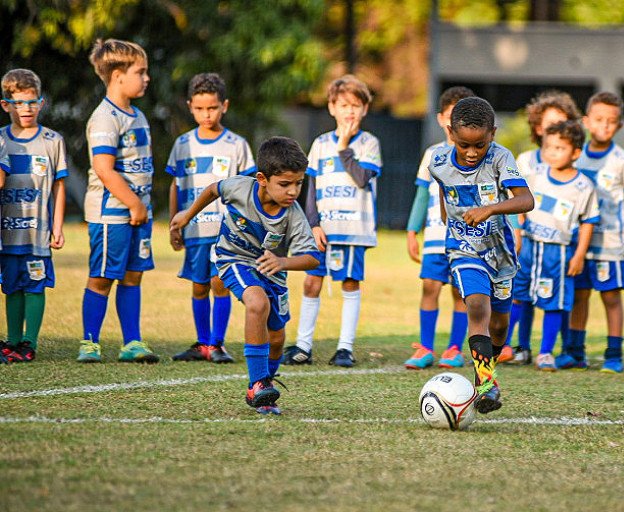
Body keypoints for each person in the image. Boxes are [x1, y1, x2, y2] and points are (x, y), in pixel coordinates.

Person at [170, 136, 319, 415]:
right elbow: (213, 190)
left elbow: (312, 258)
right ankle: (257, 384)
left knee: (277, 339)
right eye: (285, 184)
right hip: (233, 259)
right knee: (257, 304)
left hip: (272, 271)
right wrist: (186, 216)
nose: (293, 191)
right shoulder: (240, 187)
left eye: (298, 183)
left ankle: (265, 388)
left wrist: (283, 261)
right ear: (262, 178)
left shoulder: (293, 214)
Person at [429, 96, 534, 414]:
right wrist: (448, 216)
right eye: (464, 146)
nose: (472, 153)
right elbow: (443, 186)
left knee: (500, 326)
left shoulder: (501, 159)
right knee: (476, 306)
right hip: (462, 249)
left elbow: (526, 199)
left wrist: (490, 208)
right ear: (450, 133)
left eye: (480, 145)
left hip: (499, 252)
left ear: (493, 133)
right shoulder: (438, 162)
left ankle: (482, 370)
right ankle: (487, 384)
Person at [283, 75, 382, 368]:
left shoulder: (369, 144)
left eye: (355, 105)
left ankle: (344, 348)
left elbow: (362, 178)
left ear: (364, 109)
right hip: (323, 230)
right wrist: (312, 224)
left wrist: (343, 147)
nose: (349, 111)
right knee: (312, 283)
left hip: (354, 231)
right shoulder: (319, 144)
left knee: (349, 284)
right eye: (343, 105)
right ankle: (303, 346)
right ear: (331, 107)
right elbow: (310, 188)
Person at [77, 39, 159, 363]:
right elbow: (104, 169)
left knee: (133, 275)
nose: (147, 78)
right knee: (102, 276)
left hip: (139, 213)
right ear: (117, 76)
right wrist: (134, 204)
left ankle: (132, 342)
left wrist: (143, 207)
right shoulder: (104, 118)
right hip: (112, 213)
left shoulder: (138, 115)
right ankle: (89, 342)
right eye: (141, 71)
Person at [167, 73, 256, 363]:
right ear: (190, 106)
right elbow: (175, 185)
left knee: (220, 283)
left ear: (224, 106)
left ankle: (218, 343)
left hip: (225, 232)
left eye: (213, 108)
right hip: (193, 230)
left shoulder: (236, 144)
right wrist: (174, 223)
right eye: (200, 108)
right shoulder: (182, 144)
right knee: (198, 284)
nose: (207, 114)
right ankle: (202, 343)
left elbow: (247, 189)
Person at [511, 120, 599, 371]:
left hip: (557, 252)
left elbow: (588, 222)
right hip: (528, 248)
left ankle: (546, 352)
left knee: (554, 302)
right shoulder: (536, 175)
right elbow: (517, 202)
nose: (552, 152)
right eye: (548, 147)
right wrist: (518, 231)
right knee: (520, 297)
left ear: (576, 153)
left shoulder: (583, 187)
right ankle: (511, 347)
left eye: (560, 148)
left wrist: (579, 254)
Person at [507, 90, 582, 365]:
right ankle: (520, 347)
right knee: (522, 295)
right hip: (527, 241)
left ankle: (558, 349)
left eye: (563, 123)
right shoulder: (527, 161)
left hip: (558, 245)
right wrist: (515, 231)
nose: (557, 130)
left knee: (554, 296)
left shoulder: (574, 164)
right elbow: (512, 199)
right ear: (538, 128)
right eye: (551, 125)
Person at [567, 92, 624, 373]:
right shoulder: (576, 156)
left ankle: (614, 354)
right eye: (598, 120)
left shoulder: (623, 160)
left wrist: (611, 217)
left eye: (611, 122)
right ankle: (575, 352)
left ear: (619, 126)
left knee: (610, 296)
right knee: (580, 294)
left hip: (610, 242)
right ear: (586, 122)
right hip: (581, 241)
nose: (604, 126)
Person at [403, 86, 474, 370]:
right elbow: (422, 194)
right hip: (434, 236)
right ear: (439, 118)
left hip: (465, 238)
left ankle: (455, 348)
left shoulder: (475, 155)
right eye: (450, 116)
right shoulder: (432, 154)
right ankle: (425, 347)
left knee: (460, 292)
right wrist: (411, 231)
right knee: (430, 287)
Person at [0, 69, 66, 363]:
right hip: (7, 231)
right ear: (6, 105)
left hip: (37, 232)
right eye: (18, 103)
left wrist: (58, 225)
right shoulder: (1, 140)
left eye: (32, 102)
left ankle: (30, 342)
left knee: (35, 284)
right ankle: (12, 341)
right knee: (12, 285)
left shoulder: (52, 140)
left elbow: (59, 186)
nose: (26, 109)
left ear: (41, 102)